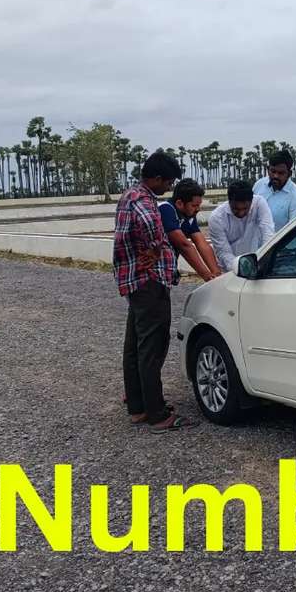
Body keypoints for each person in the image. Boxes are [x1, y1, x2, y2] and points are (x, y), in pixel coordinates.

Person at [113, 151, 197, 433]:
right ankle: (157, 413)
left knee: (134, 345)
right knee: (152, 347)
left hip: (134, 282)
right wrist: (155, 248)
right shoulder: (144, 201)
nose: (170, 187)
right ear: (157, 178)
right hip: (149, 281)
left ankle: (137, 408)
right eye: (169, 181)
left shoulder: (129, 196)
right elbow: (152, 229)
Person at [159, 179, 222, 281]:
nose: (198, 209)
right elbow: (184, 246)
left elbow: (202, 244)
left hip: (166, 271)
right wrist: (207, 276)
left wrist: (217, 274)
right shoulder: (166, 210)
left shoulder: (189, 216)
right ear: (179, 203)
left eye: (199, 205)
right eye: (194, 205)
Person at [208, 179, 275, 273]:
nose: (241, 213)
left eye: (245, 208)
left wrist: (265, 261)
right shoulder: (216, 218)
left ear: (252, 202)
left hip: (254, 265)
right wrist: (241, 271)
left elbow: (268, 233)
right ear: (229, 201)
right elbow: (224, 252)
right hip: (228, 270)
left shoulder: (259, 203)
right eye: (235, 209)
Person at [253, 149, 296, 231]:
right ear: (268, 169)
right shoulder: (259, 185)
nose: (276, 176)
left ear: (289, 174)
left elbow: (295, 232)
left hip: (277, 243)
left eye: (281, 173)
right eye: (273, 171)